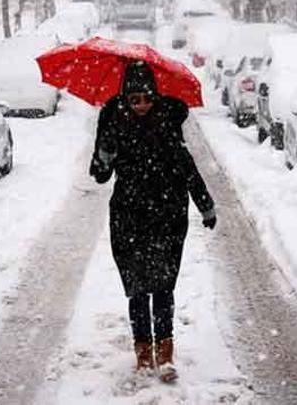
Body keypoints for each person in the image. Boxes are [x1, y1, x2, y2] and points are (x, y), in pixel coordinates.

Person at [90, 60, 216, 383]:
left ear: (155, 96)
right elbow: (101, 175)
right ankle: (143, 353)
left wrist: (206, 205)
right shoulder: (113, 123)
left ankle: (165, 352)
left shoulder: (168, 122)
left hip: (166, 217)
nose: (142, 105)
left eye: (147, 98)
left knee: (162, 287)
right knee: (136, 289)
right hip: (128, 218)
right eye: (135, 100)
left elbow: (187, 167)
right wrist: (103, 153)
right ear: (126, 99)